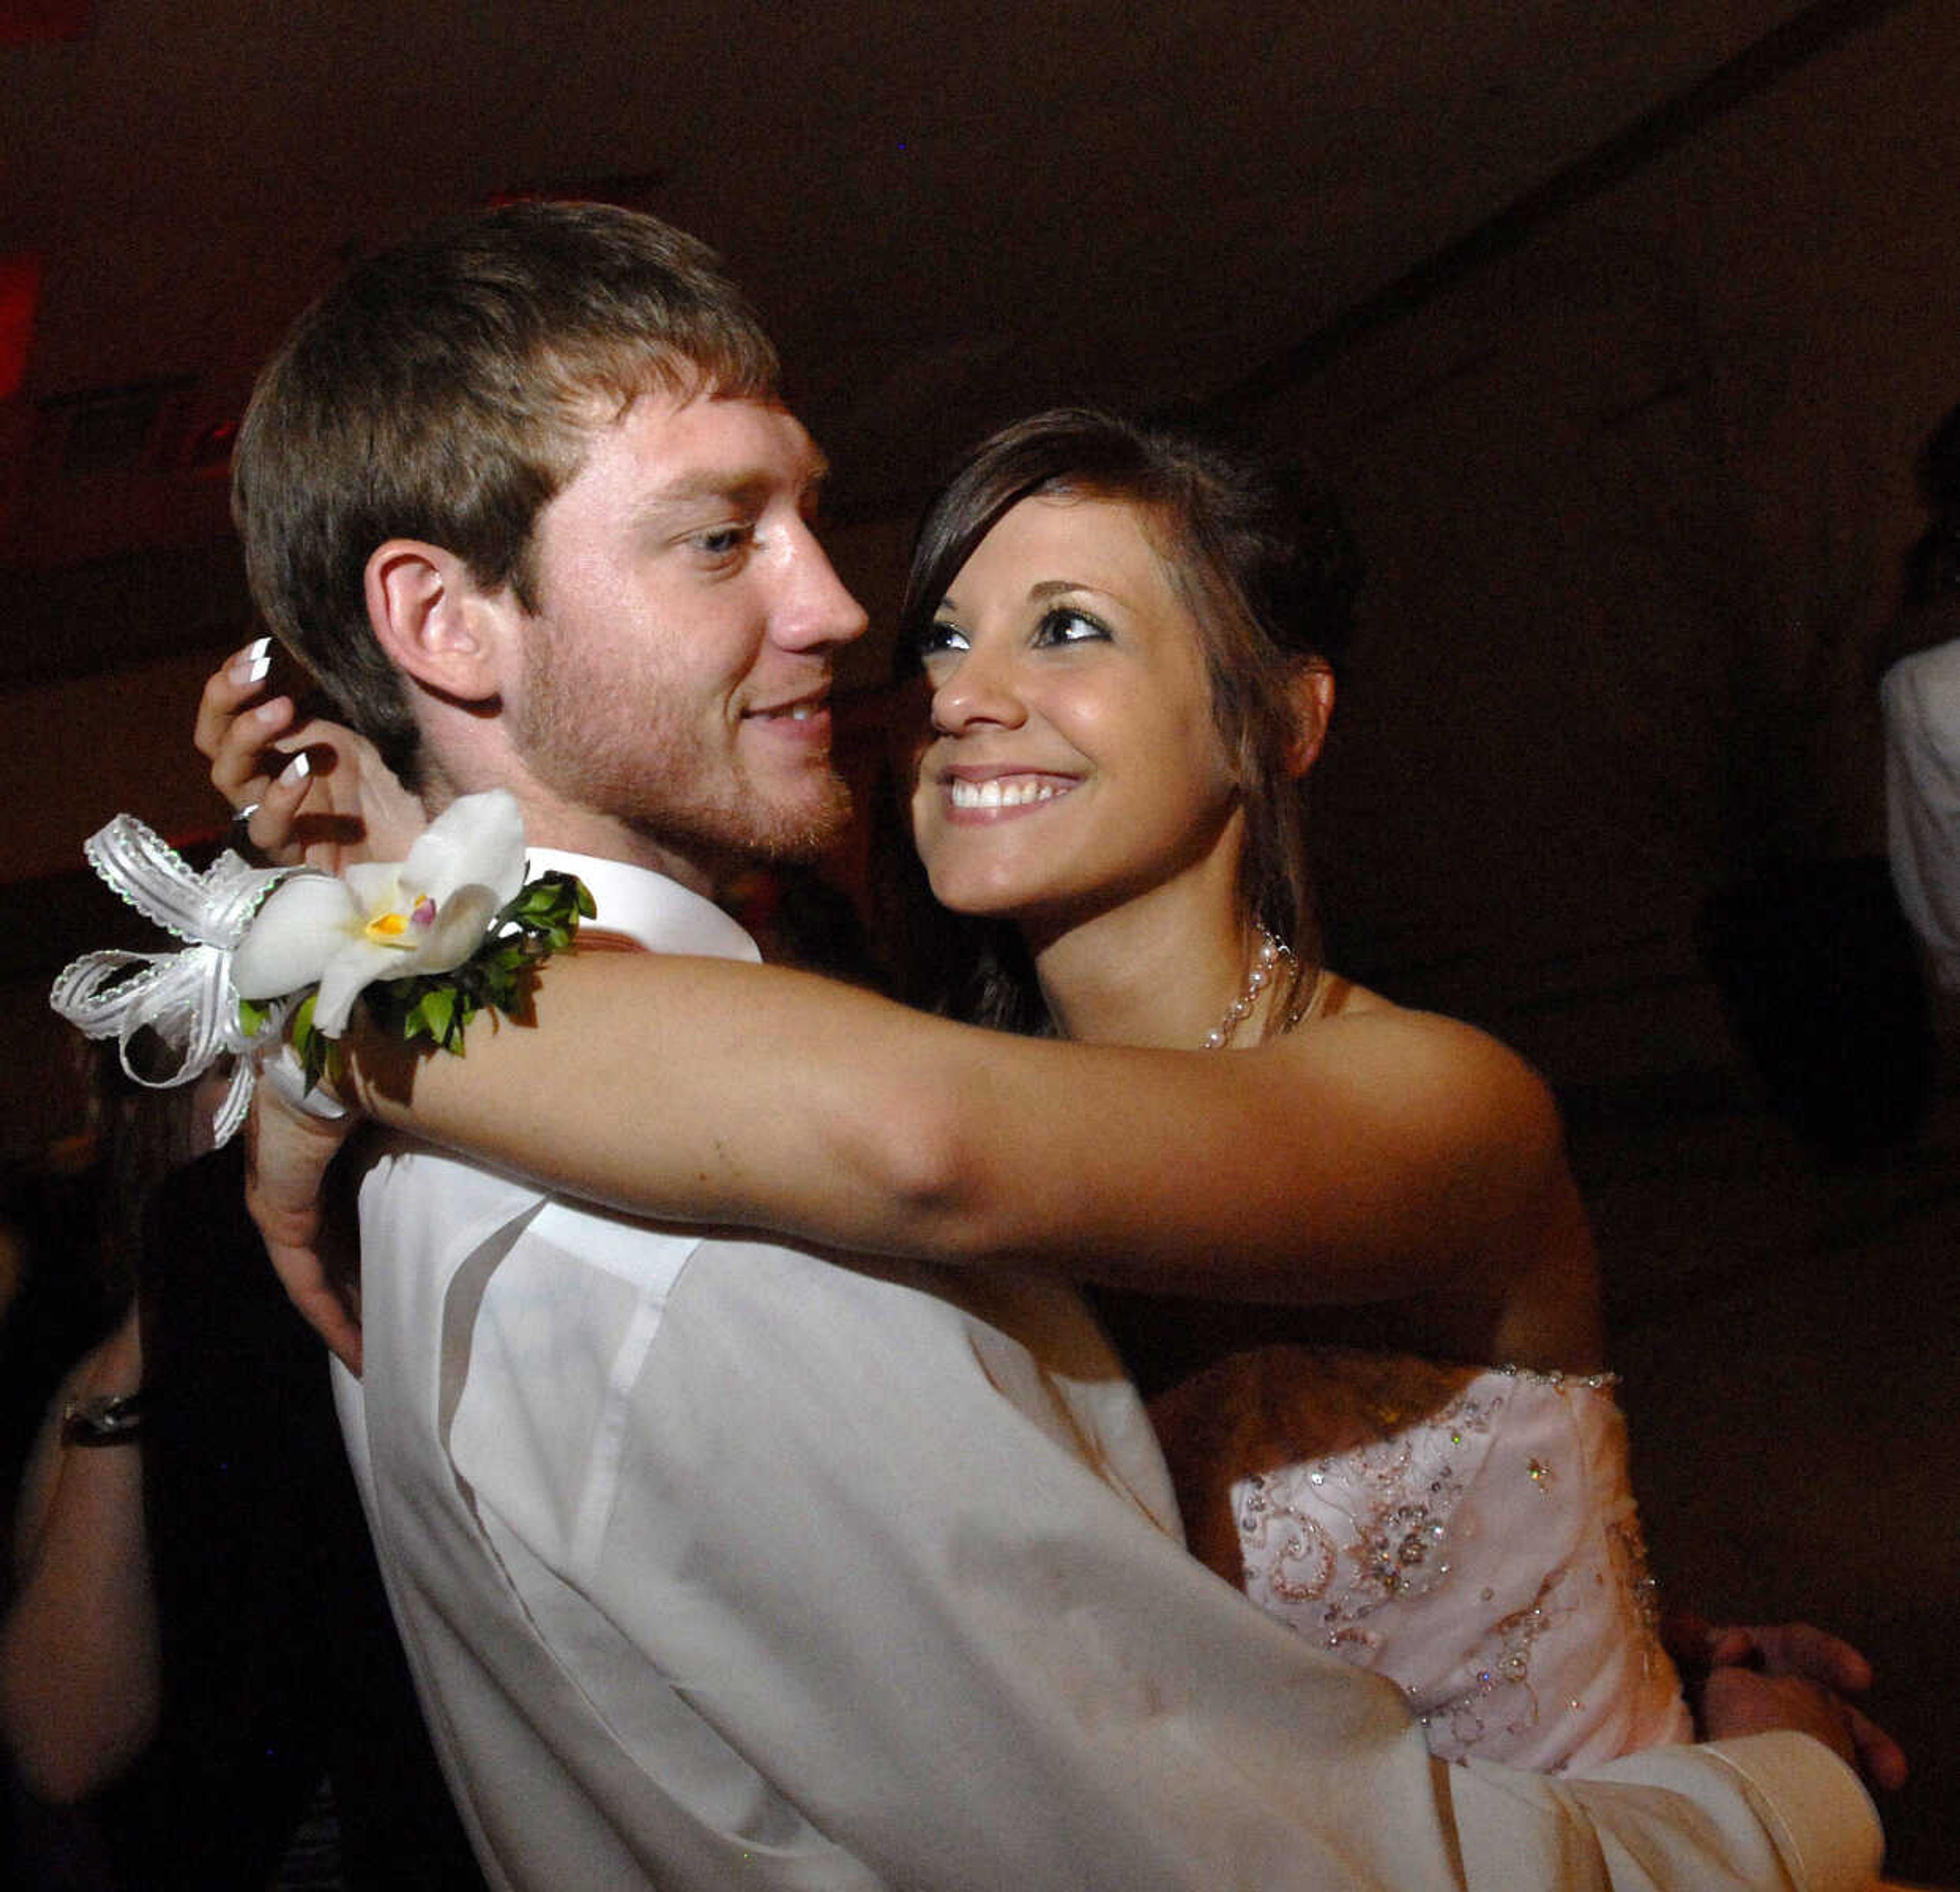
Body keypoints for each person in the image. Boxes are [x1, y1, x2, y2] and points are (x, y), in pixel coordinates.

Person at [199, 200, 1884, 1888]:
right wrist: (345, 967)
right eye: (950, 627)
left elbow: (932, 1145)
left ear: (1280, 715)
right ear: (442, 622)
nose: (913, 660)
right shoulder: (756, 1158)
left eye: (1068, 626)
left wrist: (335, 1001)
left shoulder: (1415, 1095)